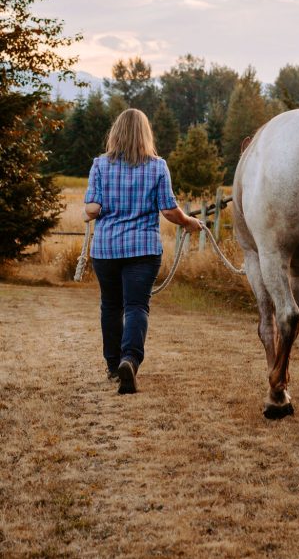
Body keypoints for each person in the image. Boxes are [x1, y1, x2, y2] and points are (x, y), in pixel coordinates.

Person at [83, 108, 202, 394]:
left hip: (107, 249)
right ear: (145, 134)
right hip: (143, 249)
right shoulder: (158, 166)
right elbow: (169, 210)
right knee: (137, 306)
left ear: (116, 132)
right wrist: (188, 222)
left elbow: (91, 209)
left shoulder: (99, 165)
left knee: (111, 306)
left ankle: (113, 366)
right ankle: (130, 360)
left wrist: (92, 210)